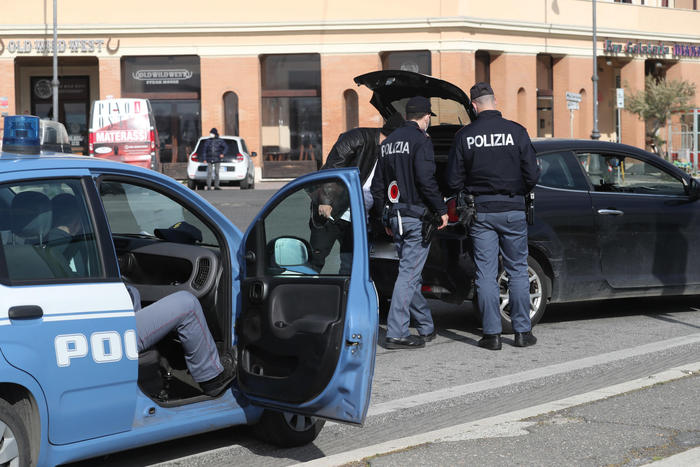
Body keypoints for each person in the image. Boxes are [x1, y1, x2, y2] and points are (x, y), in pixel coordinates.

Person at [446, 82, 541, 351]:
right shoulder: (516, 132)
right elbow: (532, 175)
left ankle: (492, 335)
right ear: (495, 101)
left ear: (474, 106)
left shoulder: (465, 136)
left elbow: (453, 180)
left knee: (486, 274)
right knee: (518, 270)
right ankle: (522, 332)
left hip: (482, 212)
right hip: (512, 210)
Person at [370, 96, 448, 350]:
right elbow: (426, 180)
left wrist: (385, 217)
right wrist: (441, 209)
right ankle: (397, 332)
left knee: (409, 273)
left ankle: (425, 326)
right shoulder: (421, 141)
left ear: (406, 116)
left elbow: (378, 186)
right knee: (408, 275)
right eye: (429, 118)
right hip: (415, 218)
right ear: (425, 117)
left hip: (396, 217)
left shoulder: (388, 142)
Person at [309, 114, 404, 274]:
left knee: (350, 264)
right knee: (316, 259)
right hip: (333, 211)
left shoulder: (391, 154)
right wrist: (325, 200)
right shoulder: (357, 138)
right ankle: (304, 293)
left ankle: (345, 297)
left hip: (360, 218)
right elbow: (332, 167)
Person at [127, 286, 235, 397]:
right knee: (187, 304)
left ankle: (147, 379)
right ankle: (212, 378)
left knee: (131, 291)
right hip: (115, 330)